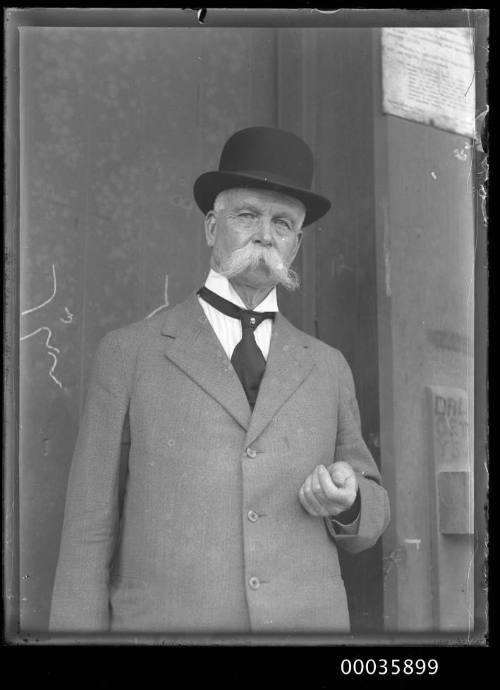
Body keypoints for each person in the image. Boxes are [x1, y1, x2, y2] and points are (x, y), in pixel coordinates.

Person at [50, 126, 390, 633]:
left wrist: (350, 500)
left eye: (283, 222)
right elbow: (86, 534)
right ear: (212, 226)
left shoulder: (327, 366)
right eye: (247, 215)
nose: (265, 234)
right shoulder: (129, 353)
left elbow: (370, 506)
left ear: (298, 241)